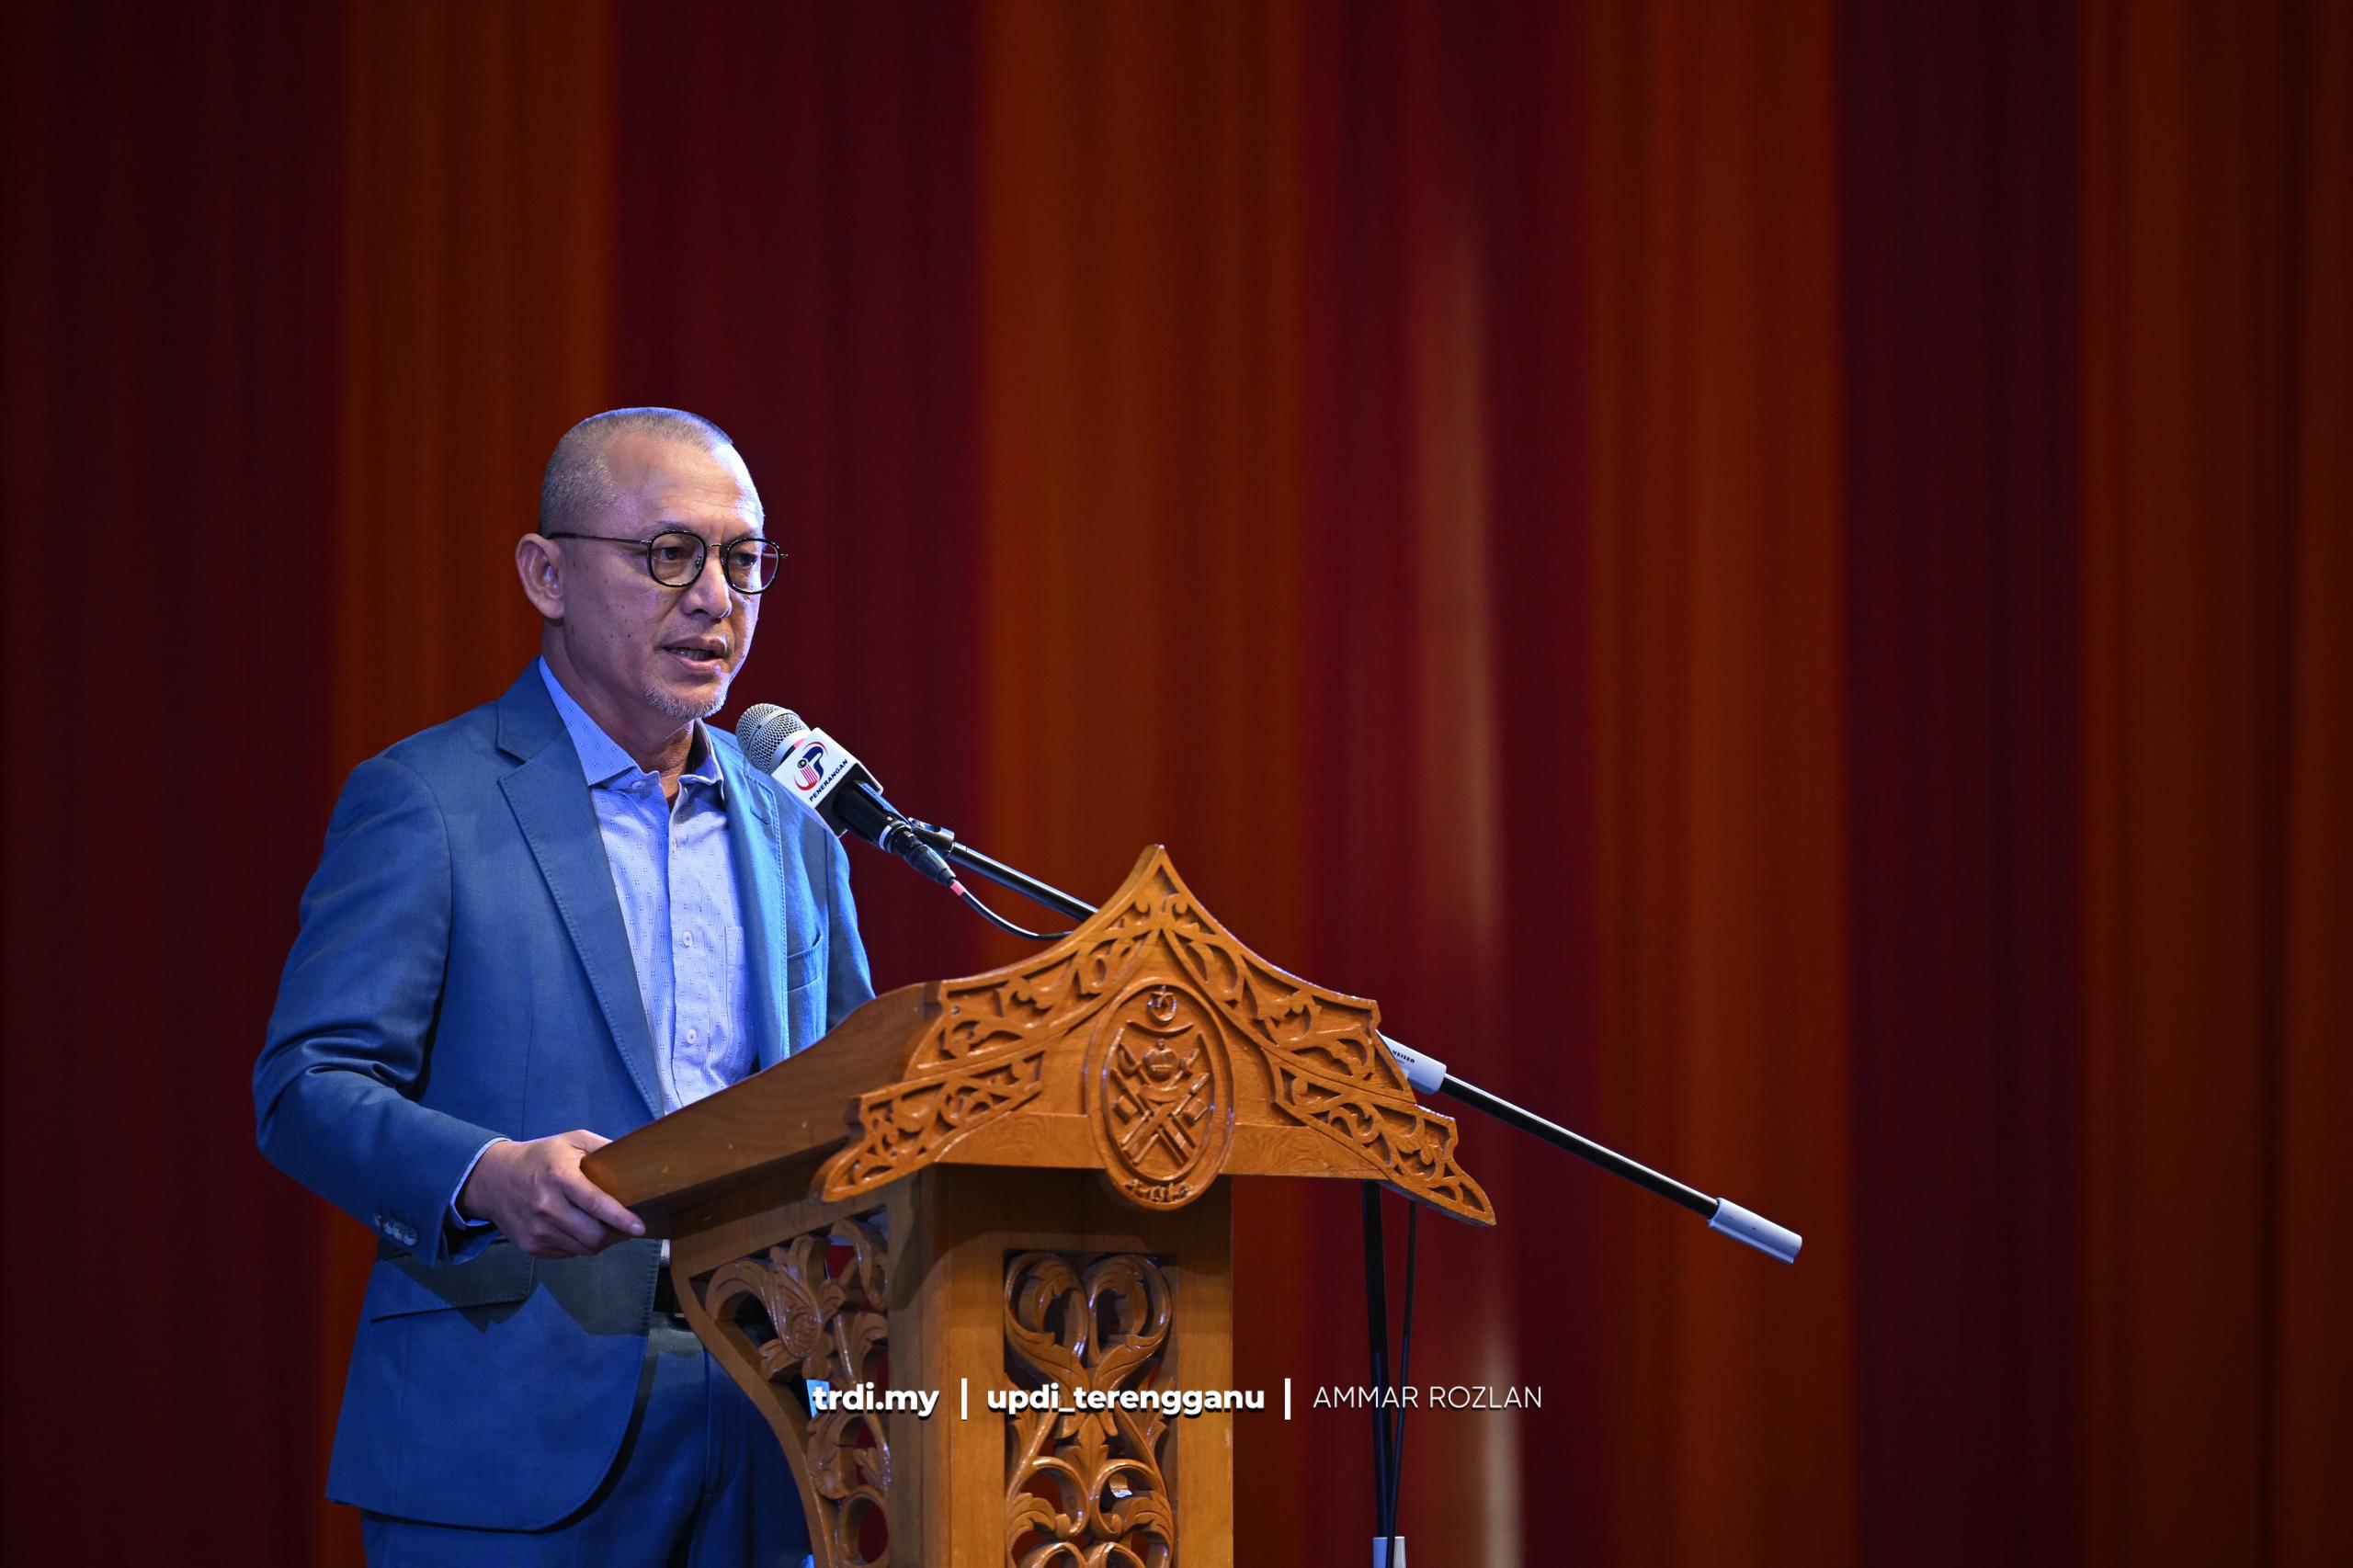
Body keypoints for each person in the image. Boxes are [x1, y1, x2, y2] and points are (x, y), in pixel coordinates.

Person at [255, 407, 872, 1565]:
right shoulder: (429, 798)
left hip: (766, 1415)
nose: (713, 599)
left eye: (744, 561)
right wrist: (486, 1173)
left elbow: (852, 1104)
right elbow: (305, 1085)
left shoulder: (797, 825)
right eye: (668, 556)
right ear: (546, 573)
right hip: (508, 1423)